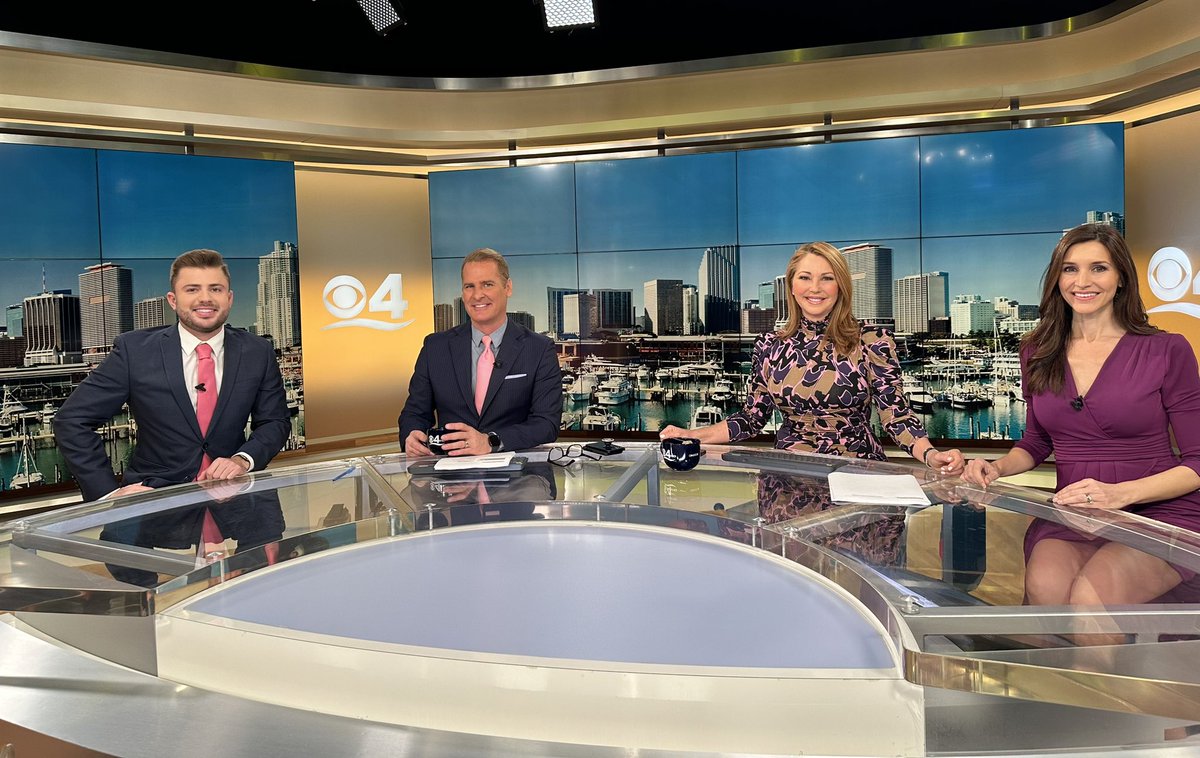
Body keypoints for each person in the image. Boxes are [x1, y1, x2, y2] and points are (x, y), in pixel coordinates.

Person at [962, 223, 1200, 609]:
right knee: (1046, 591)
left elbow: (1198, 460)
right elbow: (1038, 441)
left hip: (1158, 510)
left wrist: (1120, 494)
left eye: (1099, 268)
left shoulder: (1167, 349)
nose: (1082, 281)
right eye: (1070, 269)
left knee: (1092, 599)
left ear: (1121, 277)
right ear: (1057, 279)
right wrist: (997, 467)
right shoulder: (1036, 351)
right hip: (1076, 511)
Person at [660, 241, 963, 476]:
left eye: (826, 278)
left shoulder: (873, 340)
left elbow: (895, 417)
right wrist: (692, 434)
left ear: (840, 286)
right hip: (788, 478)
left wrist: (931, 454)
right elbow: (752, 419)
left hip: (857, 474)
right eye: (805, 277)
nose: (815, 288)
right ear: (791, 286)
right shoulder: (769, 346)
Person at [55, 248, 290, 502]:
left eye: (216, 289)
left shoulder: (258, 350)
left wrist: (243, 460)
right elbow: (72, 421)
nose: (205, 298)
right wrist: (109, 493)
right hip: (154, 505)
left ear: (229, 298)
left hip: (238, 504)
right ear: (173, 299)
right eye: (192, 289)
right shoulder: (134, 351)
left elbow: (275, 422)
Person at [399, 247, 562, 456]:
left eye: (487, 284)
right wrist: (411, 435)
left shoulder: (539, 349)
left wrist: (490, 441)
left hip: (516, 478)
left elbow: (546, 423)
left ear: (508, 287)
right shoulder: (435, 347)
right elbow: (414, 413)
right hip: (450, 477)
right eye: (469, 286)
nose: (477, 295)